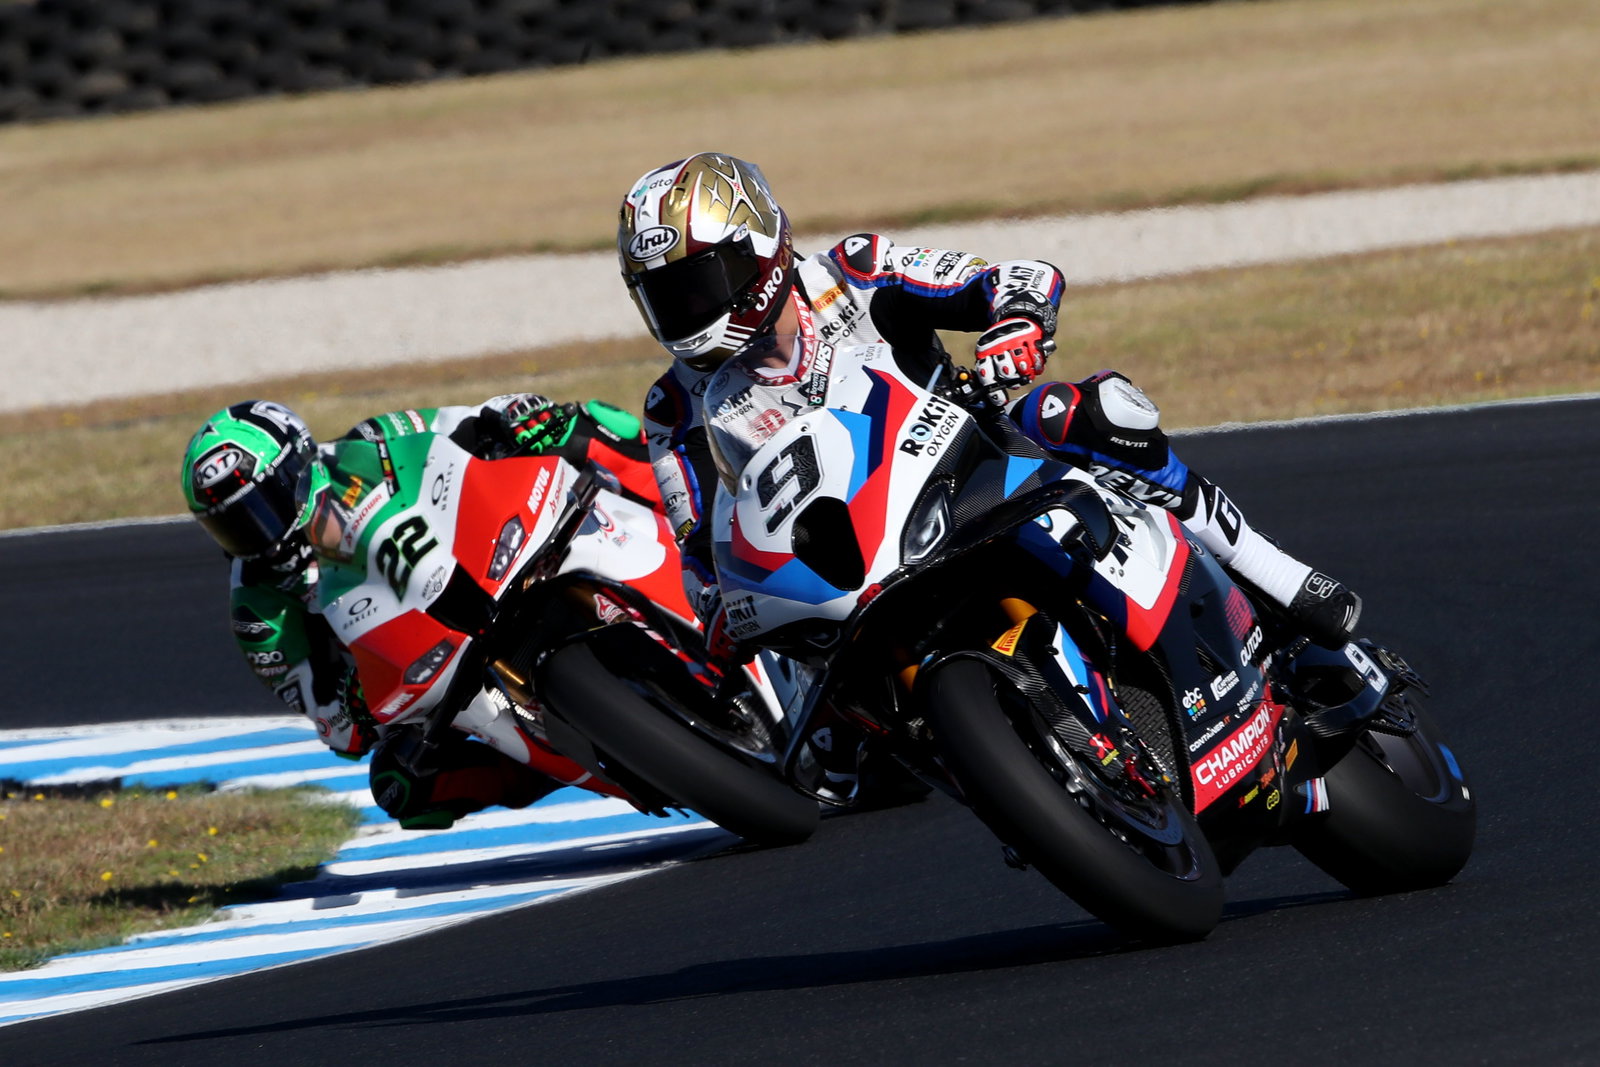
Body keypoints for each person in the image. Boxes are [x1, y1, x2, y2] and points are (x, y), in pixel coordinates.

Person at [617, 152, 1362, 668]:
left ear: (760, 250)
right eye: (663, 296)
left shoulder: (854, 271)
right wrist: (721, 608)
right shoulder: (672, 408)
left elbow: (1013, 277)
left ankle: (1280, 577)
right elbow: (699, 553)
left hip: (977, 468)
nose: (686, 312)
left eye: (697, 283)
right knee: (822, 748)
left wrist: (1017, 325)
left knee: (1087, 411)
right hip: (851, 572)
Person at [180, 394, 656, 829]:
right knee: (401, 784)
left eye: (265, 506)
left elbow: (473, 419)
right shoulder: (258, 612)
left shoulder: (370, 442)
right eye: (233, 526)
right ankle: (574, 765)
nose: (261, 533)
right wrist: (351, 707)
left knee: (586, 423)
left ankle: (683, 526)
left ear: (299, 464)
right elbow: (329, 723)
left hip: (490, 556)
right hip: (430, 673)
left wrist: (522, 419)